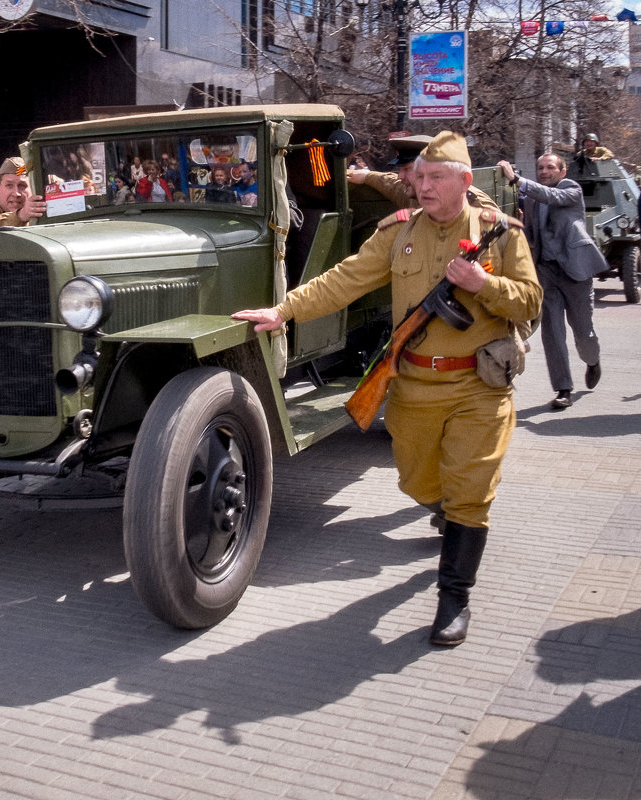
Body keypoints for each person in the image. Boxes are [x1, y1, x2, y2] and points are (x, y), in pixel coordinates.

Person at [232, 132, 542, 647]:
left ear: (465, 181)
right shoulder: (397, 233)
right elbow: (344, 280)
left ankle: (453, 598)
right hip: (414, 383)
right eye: (419, 177)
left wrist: (483, 285)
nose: (422, 186)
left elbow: (530, 302)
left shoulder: (501, 233)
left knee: (471, 492)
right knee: (417, 483)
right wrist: (282, 311)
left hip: (478, 385)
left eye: (435, 178)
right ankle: (443, 508)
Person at [499, 154, 606, 409]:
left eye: (550, 167)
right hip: (547, 273)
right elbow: (532, 238)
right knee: (552, 333)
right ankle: (563, 389)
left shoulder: (571, 189)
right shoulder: (534, 200)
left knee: (584, 333)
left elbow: (554, 197)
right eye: (540, 167)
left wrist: (517, 179)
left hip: (576, 272)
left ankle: (593, 361)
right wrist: (521, 227)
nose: (544, 171)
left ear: (563, 171)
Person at [349, 132, 499, 212]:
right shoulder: (414, 195)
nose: (400, 176)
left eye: (407, 169)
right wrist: (366, 176)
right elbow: (391, 183)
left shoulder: (475, 205)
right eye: (400, 169)